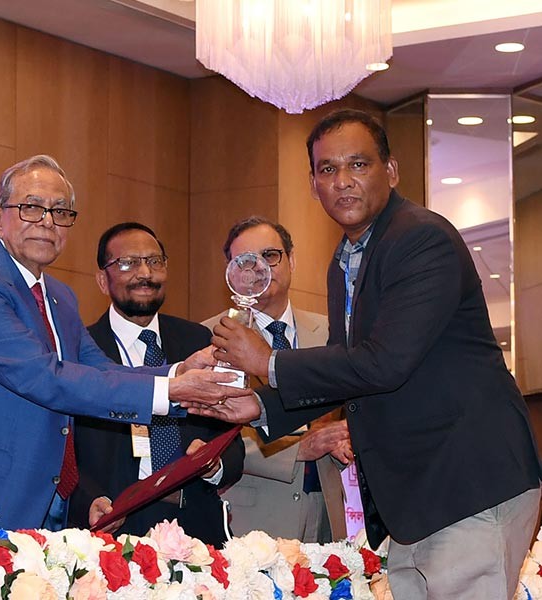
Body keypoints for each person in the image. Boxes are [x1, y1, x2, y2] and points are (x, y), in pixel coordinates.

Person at [197, 109, 542, 599]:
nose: (343, 182)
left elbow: (386, 361)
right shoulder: (345, 261)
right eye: (327, 170)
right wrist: (260, 405)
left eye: (358, 165)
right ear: (313, 184)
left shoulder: (422, 238)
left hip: (467, 482)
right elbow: (350, 366)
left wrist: (267, 363)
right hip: (416, 497)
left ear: (391, 171)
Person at [0, 155, 245, 532]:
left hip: (51, 503)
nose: (47, 222)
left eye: (61, 211)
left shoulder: (59, 296)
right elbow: (46, 377)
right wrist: (171, 391)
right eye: (32, 207)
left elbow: (98, 369)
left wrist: (178, 371)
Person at [68, 222, 245, 545]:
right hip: (114, 525)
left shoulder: (199, 341)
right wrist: (87, 502)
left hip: (197, 528)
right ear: (101, 280)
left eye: (155, 261)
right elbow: (65, 450)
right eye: (128, 263)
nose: (145, 273)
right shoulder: (80, 349)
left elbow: (230, 436)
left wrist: (215, 464)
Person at [203, 216, 350, 543]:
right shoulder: (210, 337)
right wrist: (297, 449)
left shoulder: (332, 332)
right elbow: (205, 438)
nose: (259, 269)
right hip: (250, 516)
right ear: (229, 272)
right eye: (245, 261)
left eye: (270, 256)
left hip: (329, 511)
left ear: (291, 260)